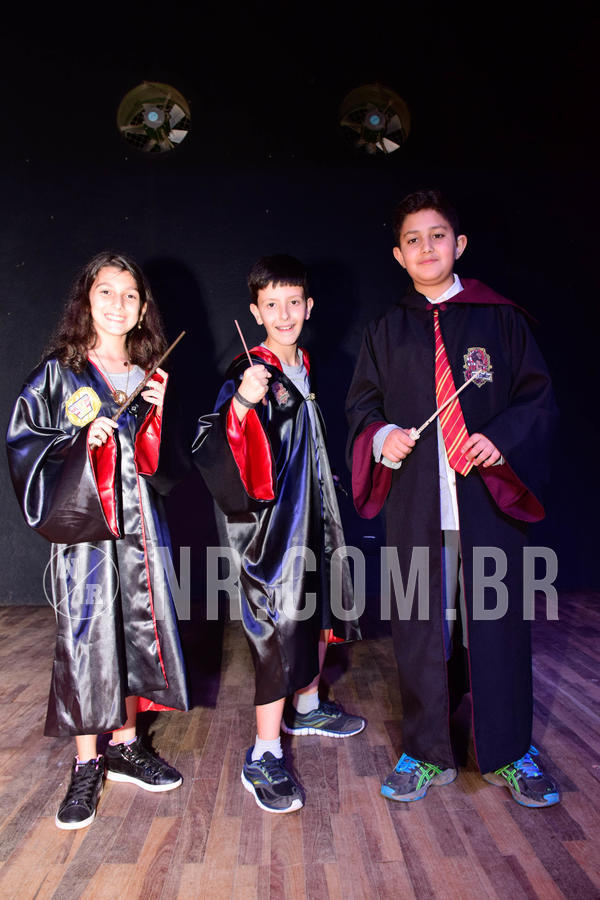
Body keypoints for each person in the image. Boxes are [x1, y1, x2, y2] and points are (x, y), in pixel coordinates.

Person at [345, 189, 560, 808]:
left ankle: (510, 751)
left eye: (437, 235)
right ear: (398, 255)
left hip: (487, 500)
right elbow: (362, 408)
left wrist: (501, 438)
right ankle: (425, 751)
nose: (426, 247)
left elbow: (537, 400)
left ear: (459, 244)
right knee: (420, 628)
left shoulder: (500, 320)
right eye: (412, 240)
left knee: (499, 625)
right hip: (420, 504)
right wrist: (382, 436)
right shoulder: (385, 332)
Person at [6, 251, 189, 830]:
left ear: (143, 308)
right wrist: (77, 440)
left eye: (130, 295)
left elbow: (162, 469)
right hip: (86, 532)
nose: (118, 304)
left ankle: (126, 745)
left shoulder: (147, 374)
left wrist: (157, 419)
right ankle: (87, 762)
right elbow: (24, 444)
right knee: (88, 638)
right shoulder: (60, 372)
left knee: (134, 634)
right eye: (106, 291)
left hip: (139, 530)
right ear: (86, 300)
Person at [193, 254, 364, 813]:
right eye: (272, 305)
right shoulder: (247, 372)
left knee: (317, 610)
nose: (284, 314)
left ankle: (308, 706)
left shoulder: (305, 365)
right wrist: (243, 400)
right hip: (272, 530)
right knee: (278, 628)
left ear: (309, 307)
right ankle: (264, 753)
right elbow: (217, 442)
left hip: (315, 514)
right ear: (255, 311)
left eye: (294, 303)